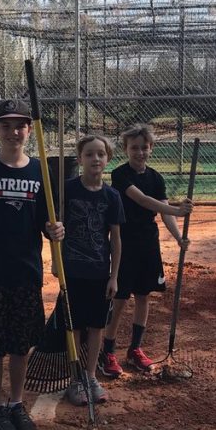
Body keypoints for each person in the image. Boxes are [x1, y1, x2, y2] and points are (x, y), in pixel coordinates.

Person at [0, 98, 64, 430]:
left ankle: (17, 403)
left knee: (20, 345)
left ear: (28, 129)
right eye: (5, 125)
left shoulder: (40, 172)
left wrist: (54, 230)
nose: (13, 131)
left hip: (25, 271)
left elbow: (44, 222)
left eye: (20, 125)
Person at [100, 124, 192, 376]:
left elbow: (162, 211)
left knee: (143, 296)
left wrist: (178, 237)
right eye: (134, 148)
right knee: (119, 298)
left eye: (144, 147)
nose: (139, 152)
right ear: (126, 150)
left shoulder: (156, 177)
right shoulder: (121, 175)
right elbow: (141, 199)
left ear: (151, 148)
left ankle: (135, 349)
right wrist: (177, 208)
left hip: (148, 243)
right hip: (125, 243)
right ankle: (107, 350)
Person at [61, 134, 124, 406]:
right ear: (80, 160)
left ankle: (90, 375)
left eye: (100, 154)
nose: (95, 159)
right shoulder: (68, 190)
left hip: (100, 272)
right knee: (74, 326)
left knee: (97, 325)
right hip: (73, 272)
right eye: (89, 154)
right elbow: (55, 227)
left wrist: (114, 276)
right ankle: (75, 379)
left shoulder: (112, 196)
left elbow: (116, 239)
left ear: (108, 159)